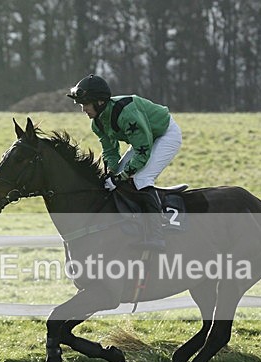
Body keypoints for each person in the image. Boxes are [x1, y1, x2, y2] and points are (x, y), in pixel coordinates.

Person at [67, 74, 182, 250]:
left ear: (99, 102)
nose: (83, 109)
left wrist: (120, 177)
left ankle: (157, 235)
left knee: (141, 179)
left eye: (85, 103)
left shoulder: (127, 114)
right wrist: (112, 173)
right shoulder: (97, 123)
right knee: (115, 179)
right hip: (143, 141)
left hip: (165, 135)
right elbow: (110, 151)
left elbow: (143, 153)